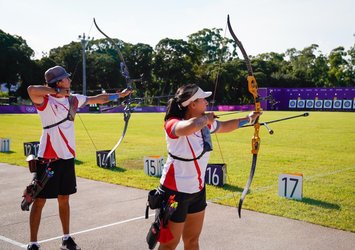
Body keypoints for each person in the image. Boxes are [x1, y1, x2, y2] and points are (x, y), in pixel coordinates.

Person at [26, 65, 131, 250]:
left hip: (67, 157)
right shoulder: (45, 101)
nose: (70, 80)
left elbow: (98, 99)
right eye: (66, 78)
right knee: (39, 200)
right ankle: (33, 243)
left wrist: (119, 96)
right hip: (48, 157)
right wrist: (56, 91)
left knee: (64, 198)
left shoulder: (73, 100)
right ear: (59, 82)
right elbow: (31, 89)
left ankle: (66, 238)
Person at [157, 84, 261, 250]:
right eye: (203, 99)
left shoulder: (204, 124)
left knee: (192, 241)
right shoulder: (172, 123)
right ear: (192, 104)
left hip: (197, 192)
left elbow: (226, 126)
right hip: (174, 193)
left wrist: (248, 119)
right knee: (169, 244)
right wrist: (206, 119)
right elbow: (187, 128)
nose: (206, 102)